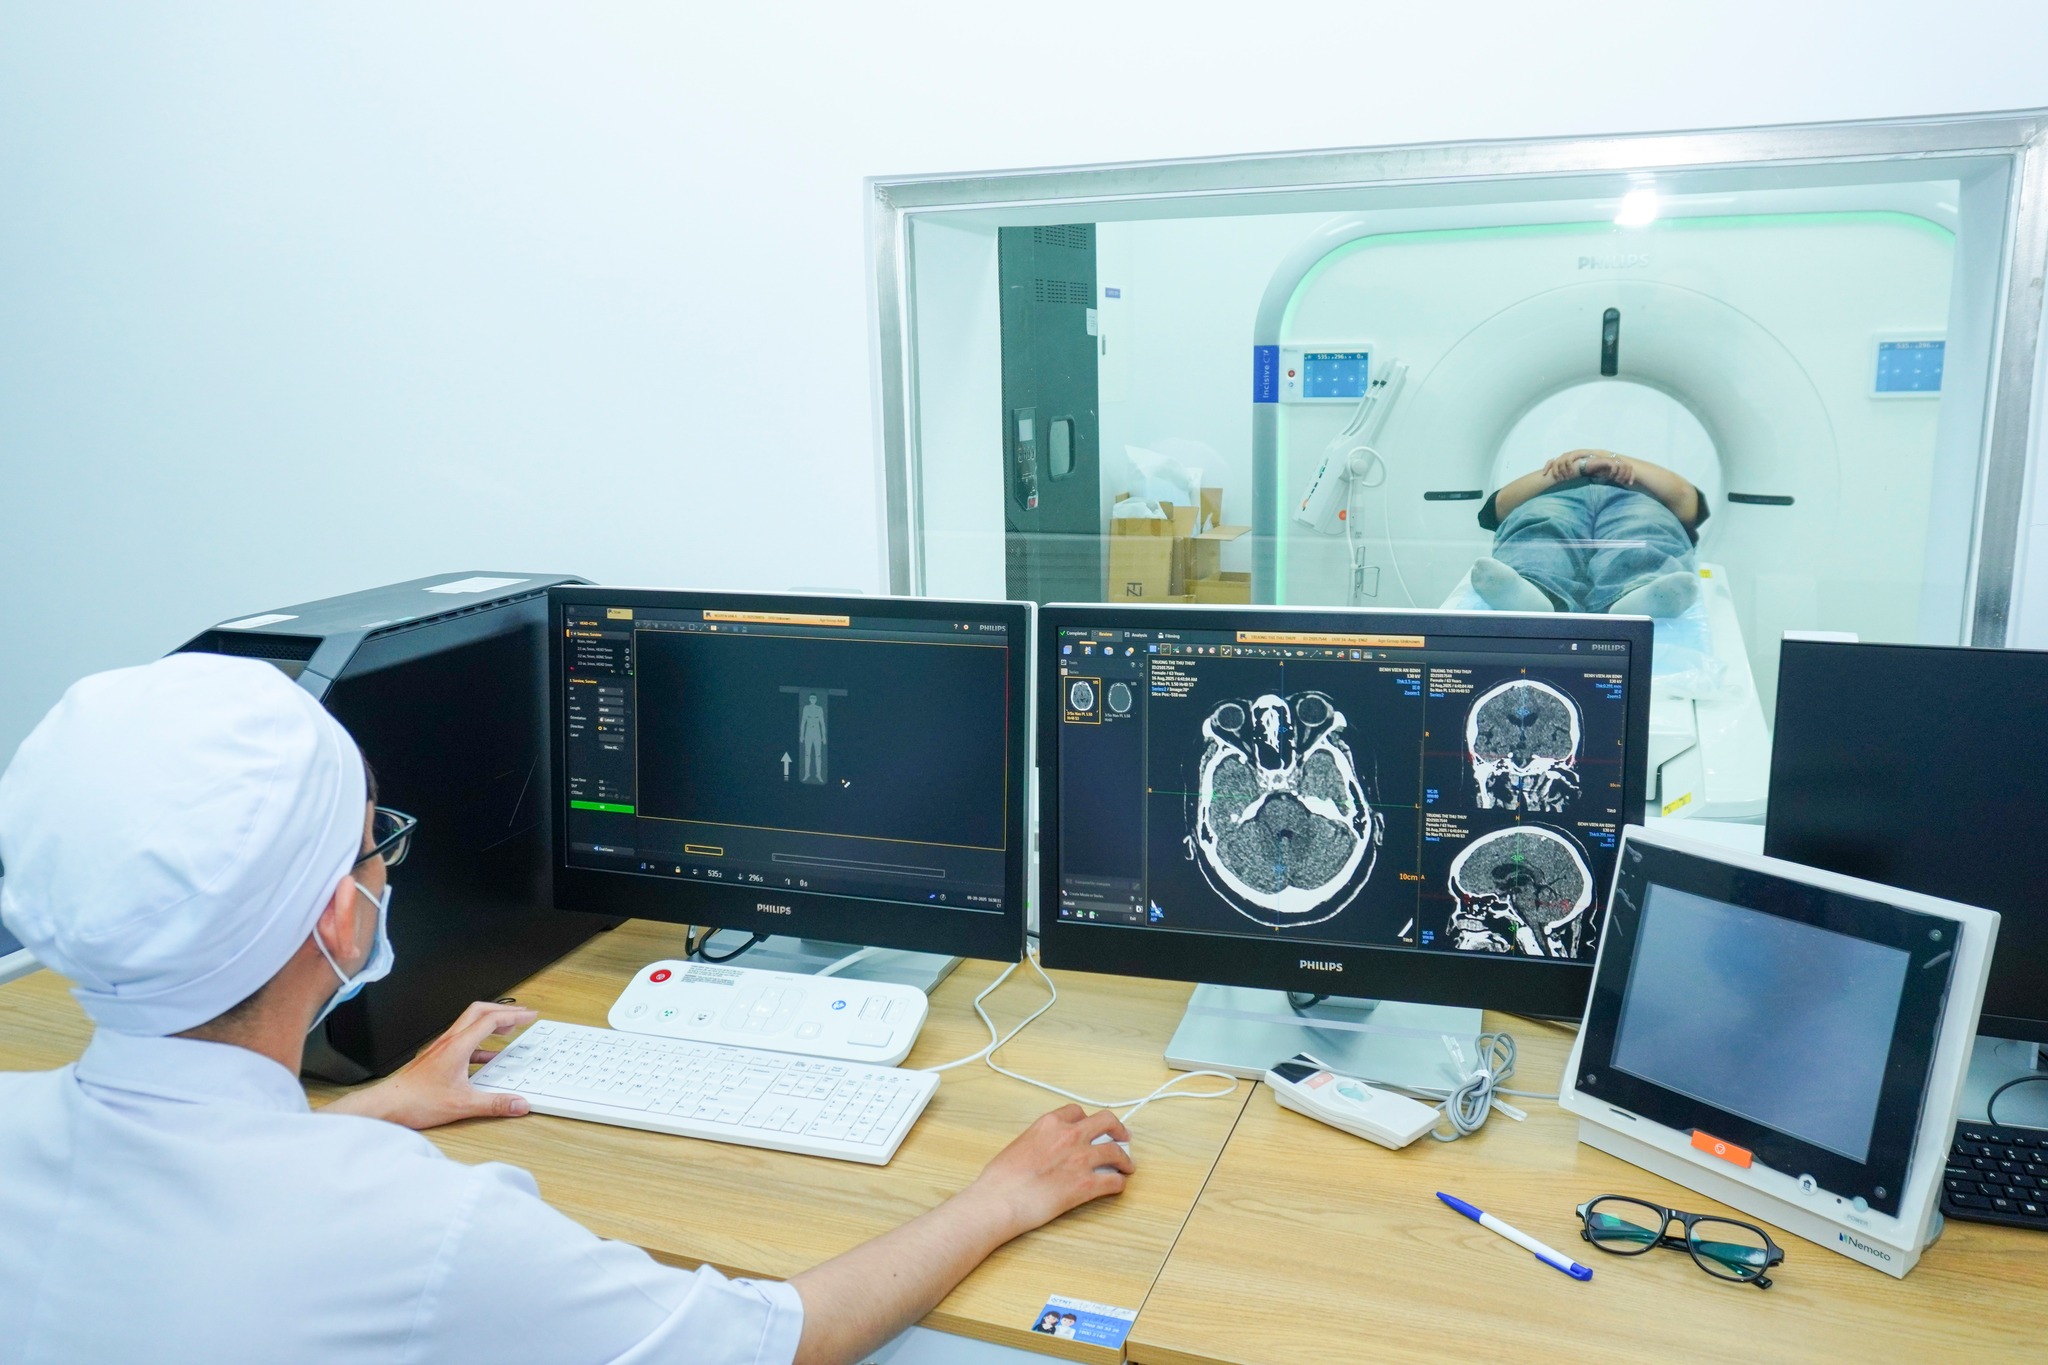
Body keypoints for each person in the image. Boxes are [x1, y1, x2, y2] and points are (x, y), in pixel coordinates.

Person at [0, 655, 1133, 1365]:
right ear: (340, 921)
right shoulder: (433, 1233)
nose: (384, 866)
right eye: (375, 842)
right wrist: (994, 1200)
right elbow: (781, 1338)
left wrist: (376, 1105)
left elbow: (195, 1171)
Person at [1469, 448, 1708, 617]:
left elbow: (1686, 500)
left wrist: (1612, 460)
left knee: (1642, 526)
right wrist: (1575, 468)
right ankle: (1530, 591)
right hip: (1557, 498)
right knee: (1544, 523)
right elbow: (1500, 508)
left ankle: (1641, 593)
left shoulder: (1640, 486)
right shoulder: (1556, 480)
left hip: (1632, 499)